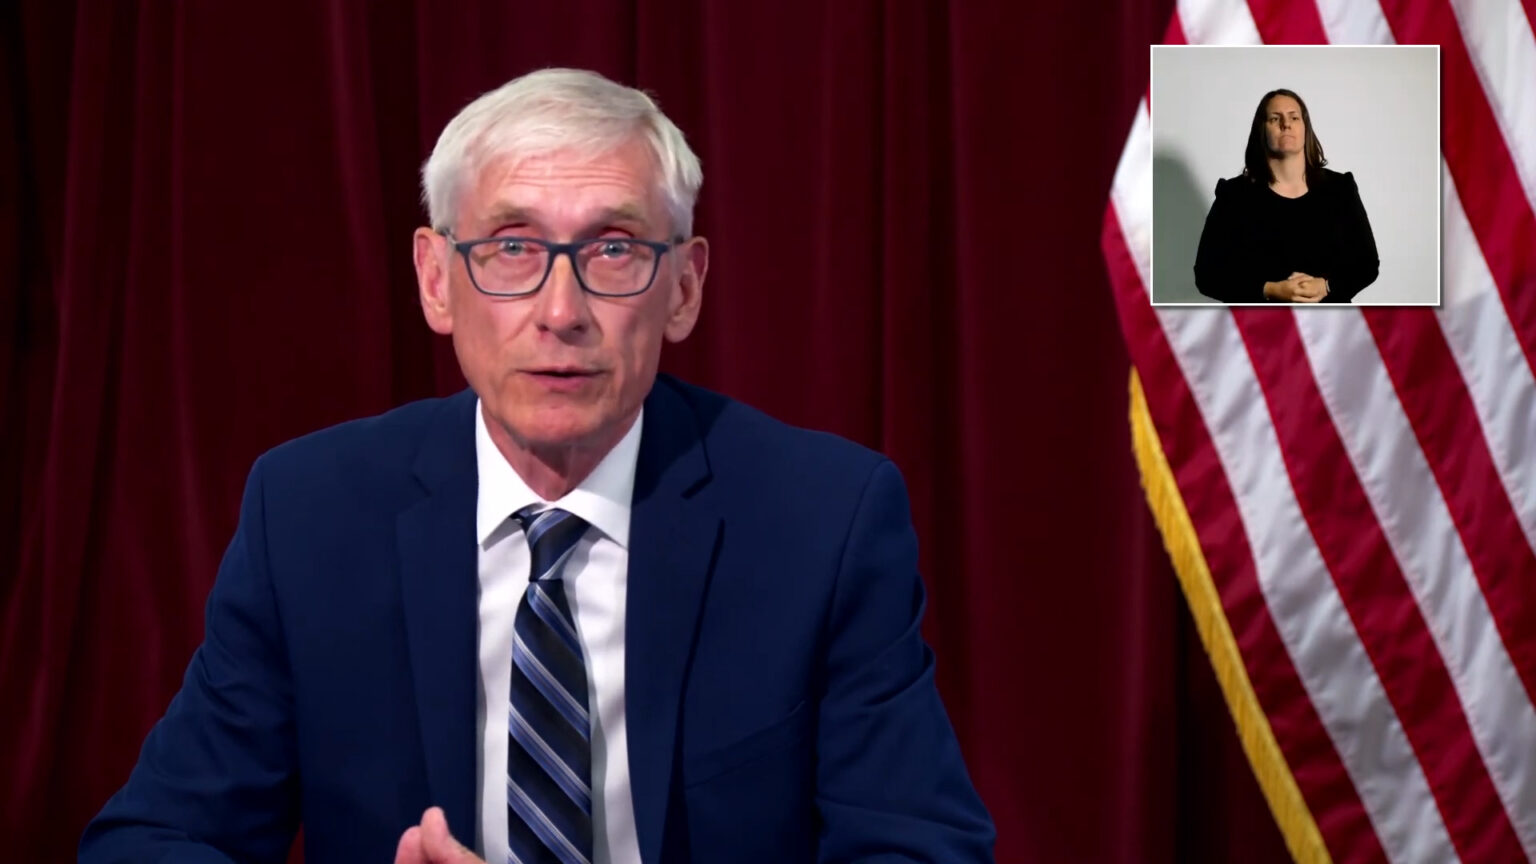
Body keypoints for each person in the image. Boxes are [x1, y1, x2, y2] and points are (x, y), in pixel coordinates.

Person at [78, 68, 994, 864]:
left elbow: (922, 850)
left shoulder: (820, 522)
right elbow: (155, 840)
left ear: (684, 289)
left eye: (614, 249)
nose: (562, 310)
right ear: (437, 280)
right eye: (513, 248)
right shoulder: (312, 516)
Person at [1193, 88, 1379, 304]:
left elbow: (1367, 264)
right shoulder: (1234, 196)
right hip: (1261, 328)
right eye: (1275, 118)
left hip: (1331, 327)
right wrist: (1270, 289)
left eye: (1294, 117)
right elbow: (1207, 275)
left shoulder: (1340, 189)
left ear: (1305, 128)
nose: (1286, 124)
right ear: (1261, 130)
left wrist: (1327, 285)